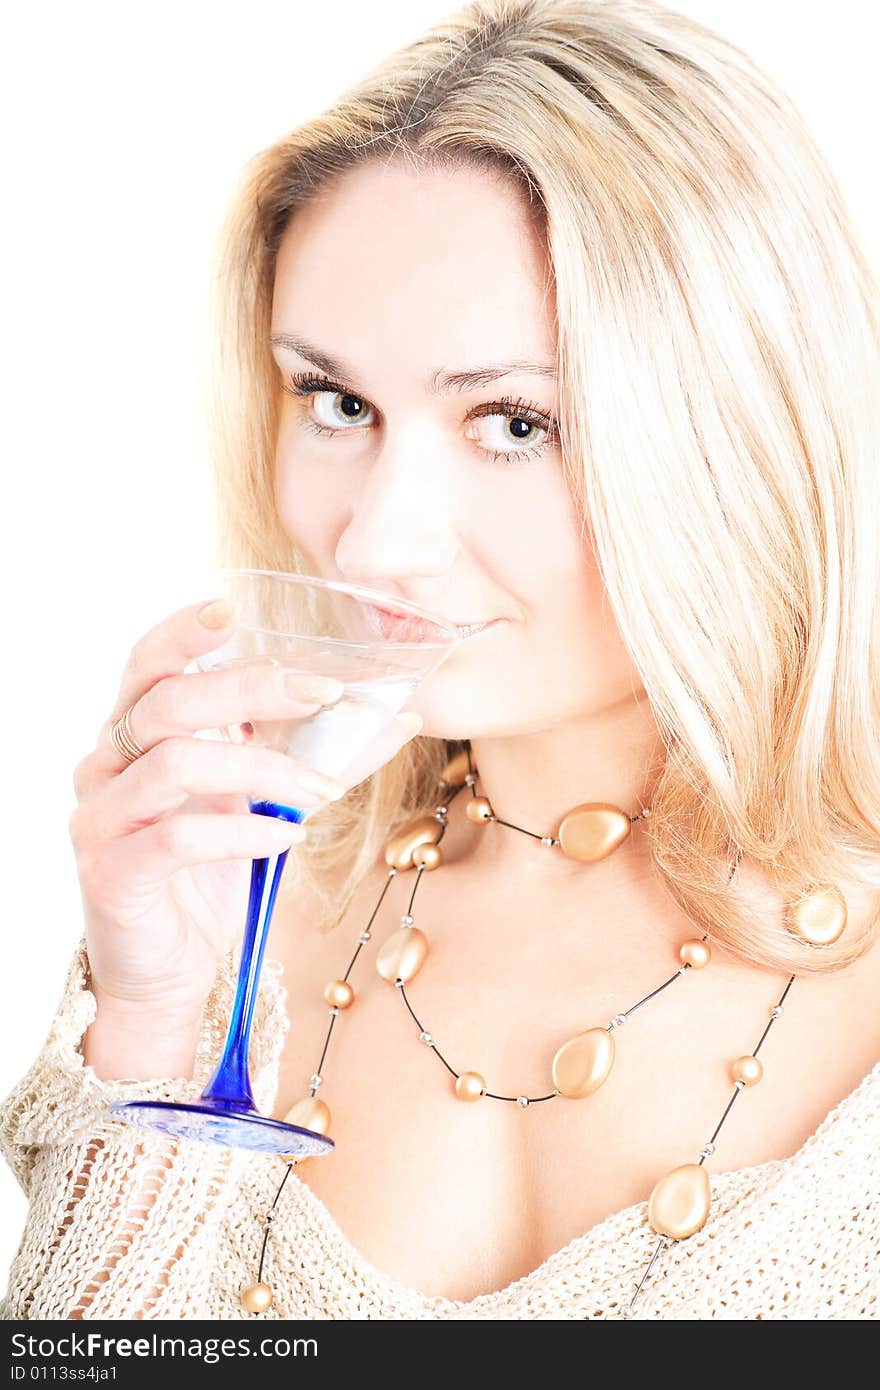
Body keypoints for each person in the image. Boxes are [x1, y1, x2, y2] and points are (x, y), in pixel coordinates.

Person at [2, 0, 879, 1321]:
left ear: (739, 433)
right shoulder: (246, 924)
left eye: (515, 421)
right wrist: (151, 1020)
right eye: (339, 402)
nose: (374, 536)